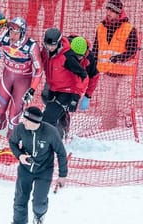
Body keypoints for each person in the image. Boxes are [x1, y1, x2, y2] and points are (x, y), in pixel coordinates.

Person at [9, 106, 68, 224]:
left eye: (26, 119)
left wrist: (62, 175)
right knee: (20, 199)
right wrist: (20, 155)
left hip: (44, 170)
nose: (23, 121)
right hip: (25, 169)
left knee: (39, 203)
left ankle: (39, 216)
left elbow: (61, 153)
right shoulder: (20, 128)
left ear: (34, 122)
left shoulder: (50, 132)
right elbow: (12, 142)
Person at [0, 17, 43, 138]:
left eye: (16, 32)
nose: (12, 35)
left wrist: (32, 89)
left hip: (22, 81)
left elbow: (39, 69)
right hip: (7, 78)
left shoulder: (31, 46)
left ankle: (11, 141)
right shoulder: (5, 37)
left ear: (22, 32)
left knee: (14, 116)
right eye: (10, 31)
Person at [92, 0, 138, 129]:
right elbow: (96, 49)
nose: (108, 13)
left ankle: (124, 130)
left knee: (123, 102)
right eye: (107, 10)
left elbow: (132, 50)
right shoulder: (100, 27)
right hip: (108, 72)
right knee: (107, 104)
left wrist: (119, 58)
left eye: (111, 11)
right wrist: (92, 63)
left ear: (119, 13)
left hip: (125, 73)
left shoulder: (129, 28)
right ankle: (108, 129)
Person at [41, 27, 87, 139]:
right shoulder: (45, 51)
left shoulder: (67, 57)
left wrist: (76, 96)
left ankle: (48, 141)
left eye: (53, 45)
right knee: (49, 104)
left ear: (60, 42)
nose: (50, 48)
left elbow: (83, 76)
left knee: (47, 117)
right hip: (53, 88)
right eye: (48, 45)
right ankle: (62, 133)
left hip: (66, 92)